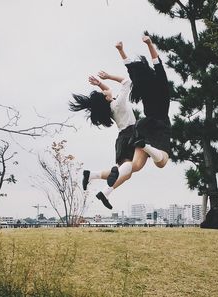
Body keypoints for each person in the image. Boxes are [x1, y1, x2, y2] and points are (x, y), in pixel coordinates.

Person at [98, 36, 171, 201]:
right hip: (160, 124)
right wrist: (150, 44)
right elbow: (156, 62)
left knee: (135, 166)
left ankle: (106, 191)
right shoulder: (161, 83)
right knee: (162, 162)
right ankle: (146, 147)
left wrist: (121, 50)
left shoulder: (143, 88)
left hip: (143, 126)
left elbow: (131, 69)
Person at [69, 72, 136, 209]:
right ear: (106, 98)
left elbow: (106, 94)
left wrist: (100, 83)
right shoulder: (118, 103)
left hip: (121, 139)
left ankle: (91, 175)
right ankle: (105, 190)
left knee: (123, 172)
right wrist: (109, 77)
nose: (106, 90)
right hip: (131, 135)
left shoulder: (111, 107)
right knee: (128, 169)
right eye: (104, 93)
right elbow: (127, 82)